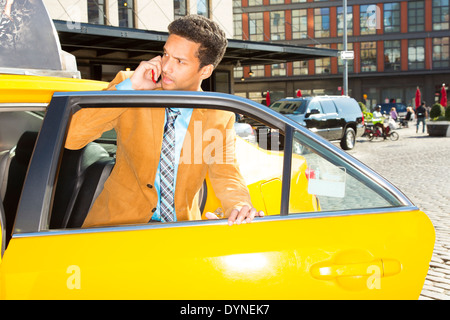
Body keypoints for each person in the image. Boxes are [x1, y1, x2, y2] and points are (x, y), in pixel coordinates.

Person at [65, 15, 264, 228]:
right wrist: (130, 90)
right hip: (117, 227)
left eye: (180, 61)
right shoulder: (131, 87)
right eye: (166, 54)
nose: (167, 67)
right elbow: (71, 138)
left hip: (178, 232)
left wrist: (238, 204)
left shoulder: (218, 116)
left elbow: (227, 175)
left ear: (205, 71)